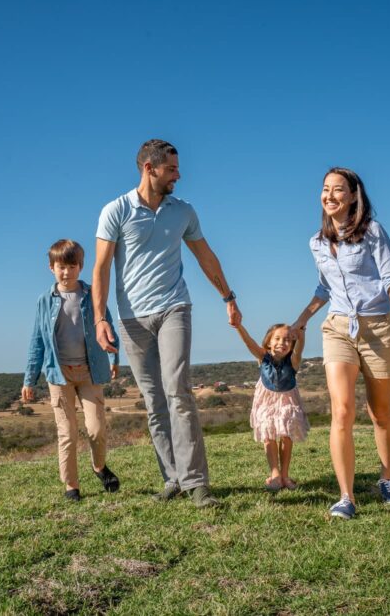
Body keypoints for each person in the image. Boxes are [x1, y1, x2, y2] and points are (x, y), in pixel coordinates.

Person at [92, 139, 242, 508]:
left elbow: (205, 256)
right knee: (154, 401)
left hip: (175, 307)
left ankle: (196, 484)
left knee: (178, 390)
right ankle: (172, 478)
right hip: (131, 318)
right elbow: (101, 268)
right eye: (172, 169)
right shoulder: (116, 210)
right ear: (150, 168)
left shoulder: (184, 211)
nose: (179, 174)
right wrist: (99, 319)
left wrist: (228, 296)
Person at [292, 167, 390, 519]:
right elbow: (324, 287)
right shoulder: (316, 242)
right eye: (325, 189)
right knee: (342, 410)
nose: (329, 195)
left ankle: (388, 476)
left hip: (379, 328)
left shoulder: (373, 233)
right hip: (338, 328)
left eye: (338, 190)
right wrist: (302, 319)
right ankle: (346, 496)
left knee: (380, 413)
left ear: (353, 196)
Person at [22, 239, 121, 502]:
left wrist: (114, 358)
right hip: (59, 374)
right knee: (66, 433)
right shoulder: (44, 301)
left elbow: (107, 326)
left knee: (96, 429)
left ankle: (99, 467)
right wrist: (29, 379)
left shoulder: (92, 295)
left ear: (81, 267)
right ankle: (71, 486)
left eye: (72, 266)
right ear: (51, 268)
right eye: (61, 267)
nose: (66, 272)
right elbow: (37, 341)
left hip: (90, 371)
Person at [233, 321, 310, 491]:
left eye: (288, 340)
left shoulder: (294, 360)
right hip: (266, 400)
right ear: (268, 341)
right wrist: (238, 326)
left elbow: (300, 348)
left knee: (286, 435)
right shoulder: (262, 357)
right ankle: (274, 473)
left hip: (287, 400)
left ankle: (284, 475)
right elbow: (248, 342)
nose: (282, 343)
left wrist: (301, 334)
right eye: (277, 338)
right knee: (268, 435)